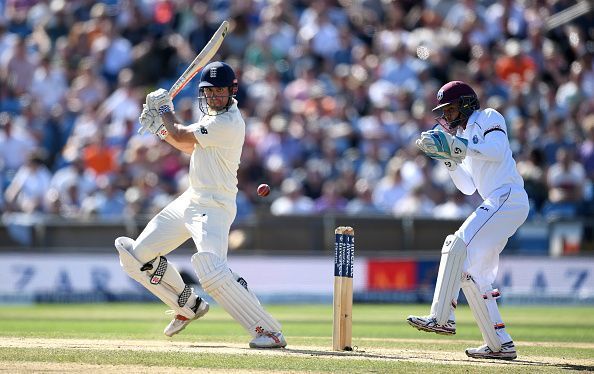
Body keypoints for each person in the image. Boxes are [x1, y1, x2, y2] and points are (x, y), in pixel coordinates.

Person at [114, 61, 286, 348]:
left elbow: (181, 134)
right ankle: (188, 305)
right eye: (210, 92)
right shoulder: (210, 121)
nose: (215, 97)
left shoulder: (228, 123)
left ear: (232, 91)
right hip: (191, 199)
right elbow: (187, 144)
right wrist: (160, 128)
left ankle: (269, 331)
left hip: (215, 205)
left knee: (211, 270)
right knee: (135, 257)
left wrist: (164, 110)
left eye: (220, 92)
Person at [409, 81, 530, 360]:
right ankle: (500, 344)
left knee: (456, 244)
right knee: (474, 276)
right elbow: (467, 187)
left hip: (508, 197)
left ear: (465, 105)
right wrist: (447, 157)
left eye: (450, 110)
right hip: (497, 201)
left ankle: (441, 317)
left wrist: (457, 144)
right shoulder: (463, 136)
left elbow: (496, 150)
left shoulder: (488, 117)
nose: (447, 117)